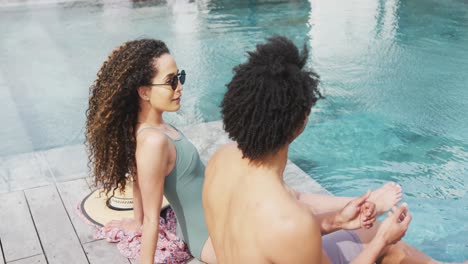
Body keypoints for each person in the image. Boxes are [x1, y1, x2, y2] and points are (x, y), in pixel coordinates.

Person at [203, 36, 445, 264]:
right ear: (300, 123)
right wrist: (384, 240)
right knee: (388, 246)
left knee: (369, 230)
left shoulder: (221, 159)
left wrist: (337, 220)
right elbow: (285, 230)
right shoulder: (291, 220)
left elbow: (260, 236)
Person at [85, 39, 217, 264]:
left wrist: (136, 220)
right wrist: (143, 228)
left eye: (180, 77)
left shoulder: (157, 128)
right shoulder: (153, 142)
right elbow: (152, 220)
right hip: (211, 236)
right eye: (171, 81)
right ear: (144, 92)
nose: (180, 87)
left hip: (220, 217)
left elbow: (139, 181)